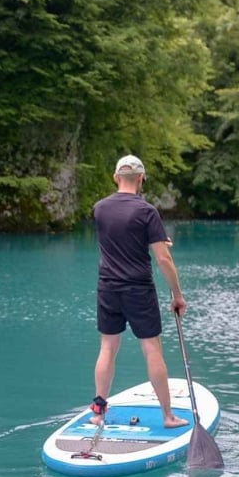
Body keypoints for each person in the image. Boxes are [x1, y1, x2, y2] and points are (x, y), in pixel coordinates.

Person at [89, 154, 188, 429]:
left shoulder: (99, 208)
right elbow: (163, 259)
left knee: (108, 347)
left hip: (107, 287)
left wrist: (152, 238)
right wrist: (177, 295)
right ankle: (167, 417)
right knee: (151, 348)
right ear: (141, 178)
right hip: (138, 289)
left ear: (115, 177)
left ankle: (98, 412)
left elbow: (118, 235)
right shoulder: (147, 212)